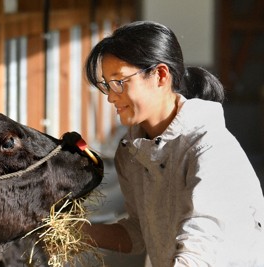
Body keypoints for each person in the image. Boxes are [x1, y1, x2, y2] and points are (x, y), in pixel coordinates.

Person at [82, 21, 264, 266]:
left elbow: (200, 252)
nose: (112, 97)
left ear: (160, 75)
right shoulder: (131, 152)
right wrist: (75, 233)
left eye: (120, 82)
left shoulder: (210, 149)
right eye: (107, 84)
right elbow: (139, 231)